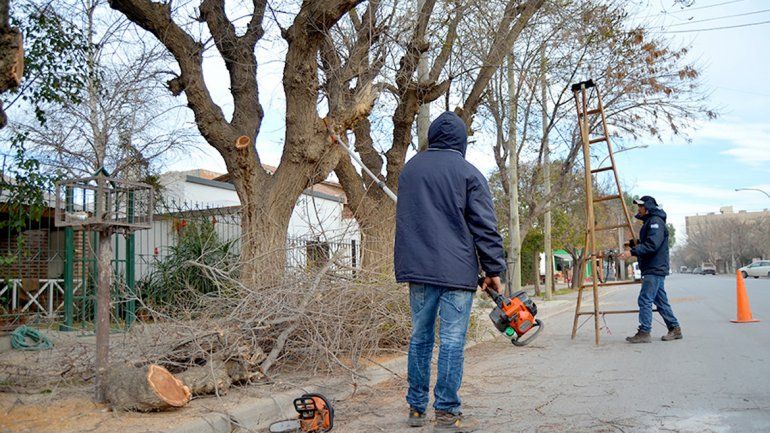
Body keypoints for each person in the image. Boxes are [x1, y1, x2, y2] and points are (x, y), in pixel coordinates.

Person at [394, 111, 506, 432]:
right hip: (457, 271)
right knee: (452, 341)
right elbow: (484, 227)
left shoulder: (410, 171)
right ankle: (445, 412)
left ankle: (416, 408)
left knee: (420, 337)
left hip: (418, 269)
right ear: (461, 141)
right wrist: (493, 269)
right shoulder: (469, 173)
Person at [618, 196, 682, 343]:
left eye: (641, 206)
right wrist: (635, 244)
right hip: (653, 267)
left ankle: (644, 332)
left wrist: (632, 252)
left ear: (648, 207)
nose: (638, 209)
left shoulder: (655, 222)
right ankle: (675, 328)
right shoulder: (651, 222)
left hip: (654, 267)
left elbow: (653, 245)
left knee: (645, 299)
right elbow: (650, 242)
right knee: (661, 302)